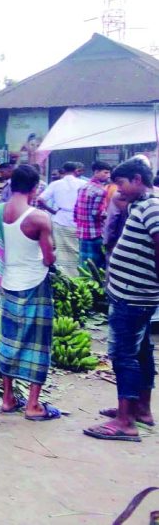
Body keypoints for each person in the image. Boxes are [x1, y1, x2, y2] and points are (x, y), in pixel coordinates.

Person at [85, 158, 159, 441]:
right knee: (140, 351)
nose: (118, 190)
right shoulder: (141, 203)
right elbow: (118, 202)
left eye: (123, 183)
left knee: (123, 355)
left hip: (135, 294)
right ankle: (141, 409)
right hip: (129, 293)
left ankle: (124, 422)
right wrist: (123, 193)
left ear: (138, 179)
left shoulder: (152, 208)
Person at [0, 164, 59, 421]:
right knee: (37, 342)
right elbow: (48, 258)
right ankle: (33, 405)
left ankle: (8, 398)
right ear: (35, 188)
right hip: (34, 283)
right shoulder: (39, 218)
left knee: (9, 339)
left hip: (8, 282)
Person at [38, 161, 87, 277]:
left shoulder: (56, 184)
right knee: (77, 249)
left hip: (60, 219)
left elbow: (40, 200)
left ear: (63, 171)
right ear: (76, 171)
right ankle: (77, 275)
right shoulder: (84, 184)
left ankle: (63, 276)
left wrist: (52, 211)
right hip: (79, 220)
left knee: (61, 250)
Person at [73, 161, 112, 270]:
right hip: (95, 233)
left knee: (84, 266)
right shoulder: (101, 191)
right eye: (105, 172)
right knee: (96, 268)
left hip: (82, 232)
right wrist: (108, 215)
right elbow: (96, 213)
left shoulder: (83, 187)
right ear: (96, 172)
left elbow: (76, 210)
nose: (108, 175)